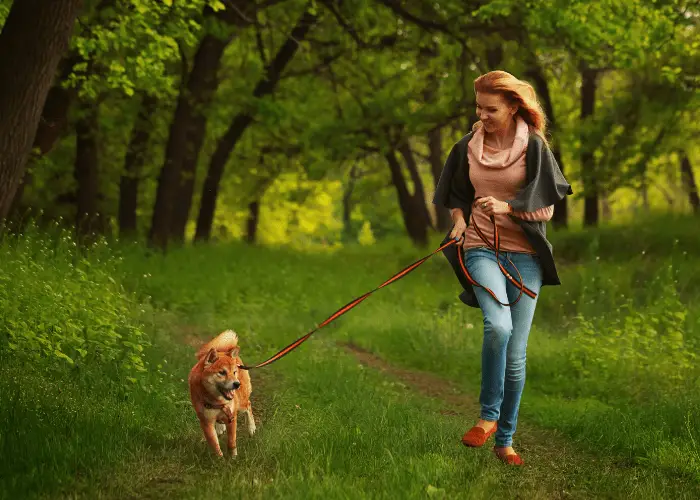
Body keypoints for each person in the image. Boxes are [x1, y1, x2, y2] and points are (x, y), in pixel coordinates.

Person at [432, 70, 572, 466]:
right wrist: (459, 221)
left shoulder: (535, 148)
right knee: (499, 326)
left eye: (490, 108)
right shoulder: (467, 146)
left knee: (516, 356)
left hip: (525, 255)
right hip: (480, 247)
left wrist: (509, 208)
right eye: (478, 106)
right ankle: (487, 416)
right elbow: (455, 192)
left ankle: (505, 440)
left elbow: (546, 207)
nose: (482, 114)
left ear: (513, 107)